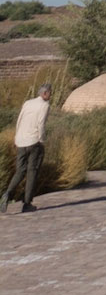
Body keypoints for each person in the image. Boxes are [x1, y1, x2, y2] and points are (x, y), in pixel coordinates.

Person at [1, 83, 51, 212]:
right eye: (50, 92)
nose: (50, 95)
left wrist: (16, 137)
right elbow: (41, 124)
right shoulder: (44, 105)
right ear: (44, 93)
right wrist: (42, 140)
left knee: (20, 170)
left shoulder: (28, 103)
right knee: (32, 171)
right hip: (34, 141)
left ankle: (7, 194)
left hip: (21, 141)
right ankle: (27, 203)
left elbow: (20, 119)